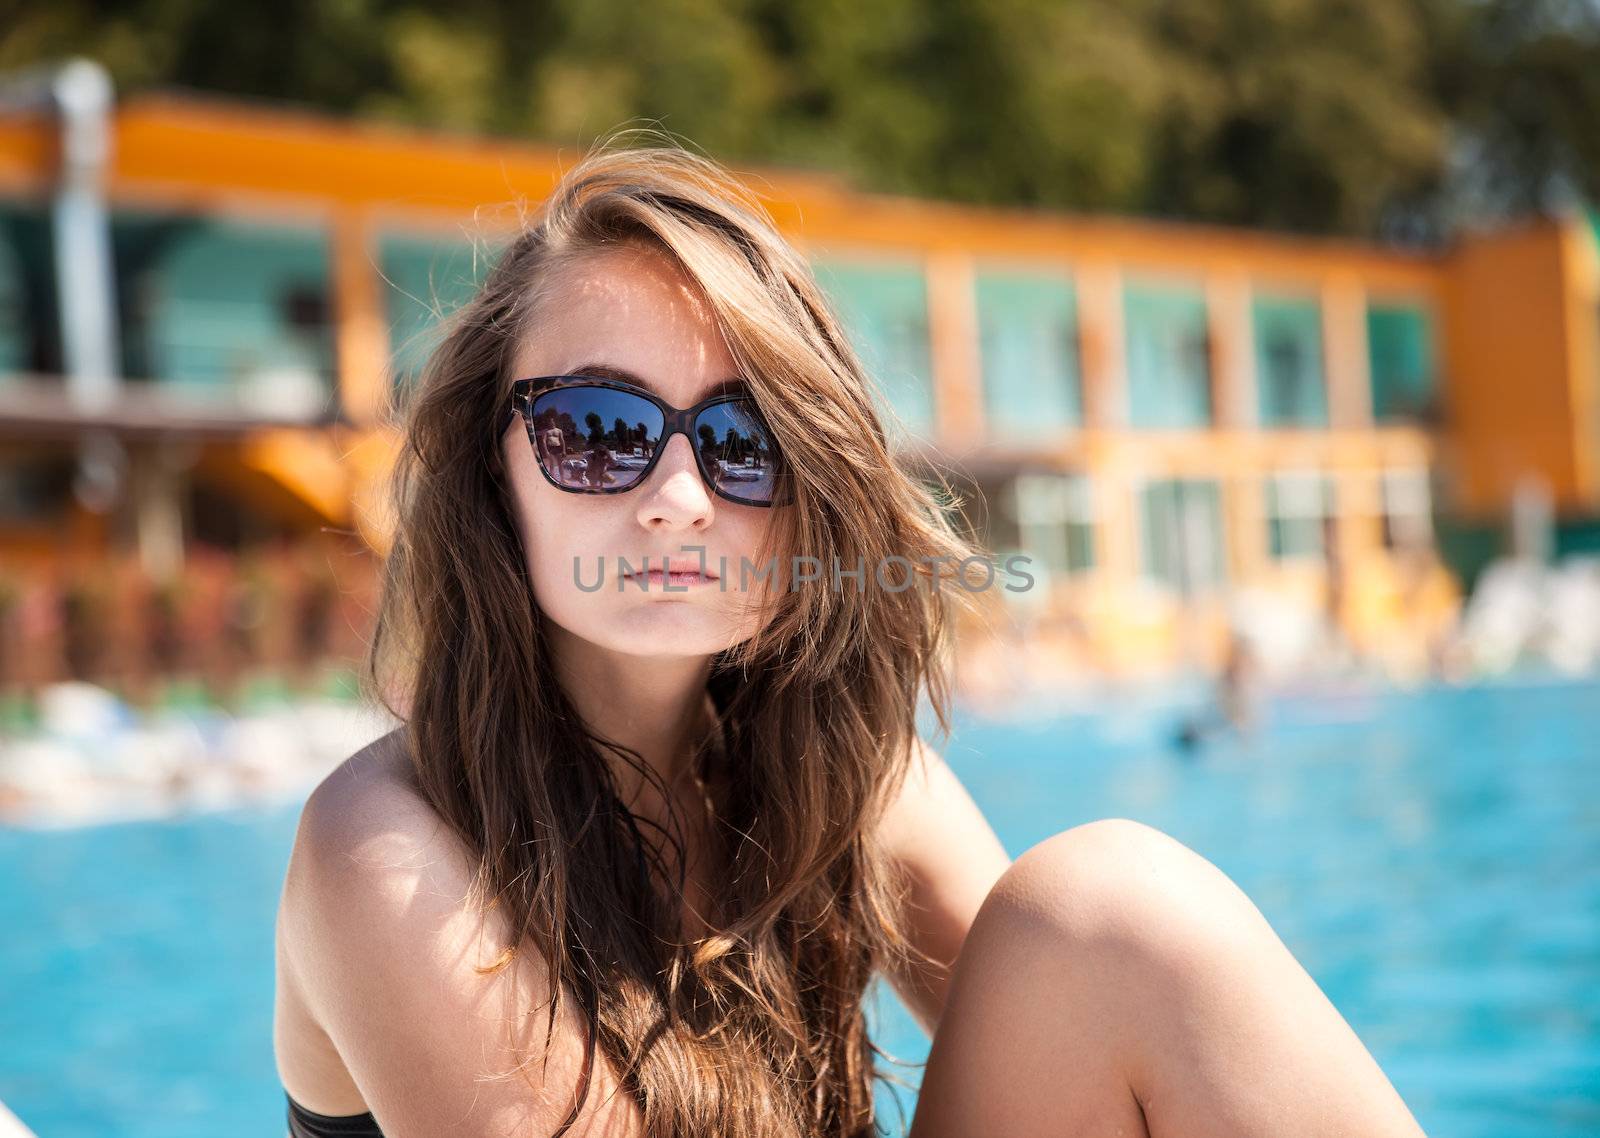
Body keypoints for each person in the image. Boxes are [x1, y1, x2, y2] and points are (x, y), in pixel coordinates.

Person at [273, 132, 1428, 1138]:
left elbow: (1107, 1040)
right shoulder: (387, 847)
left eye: (744, 441)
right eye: (597, 426)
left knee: (1114, 915)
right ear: (496, 471)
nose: (678, 494)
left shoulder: (841, 778)